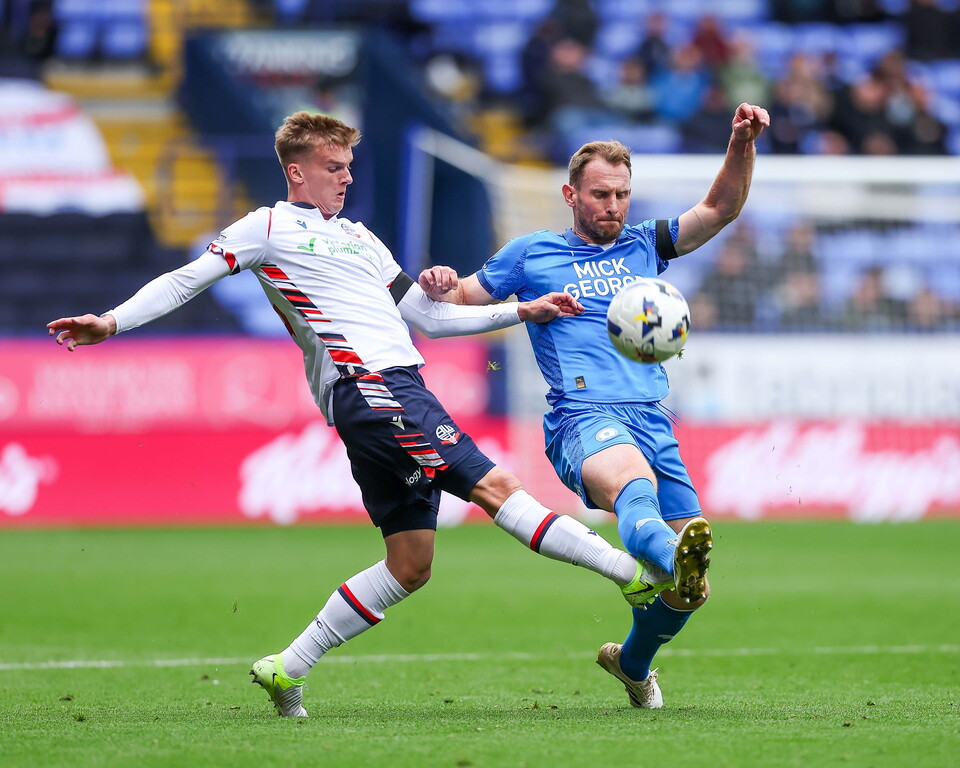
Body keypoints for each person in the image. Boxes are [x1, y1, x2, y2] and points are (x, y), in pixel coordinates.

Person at [46, 111, 668, 718]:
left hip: (390, 391)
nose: (346, 177)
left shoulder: (362, 238)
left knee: (410, 564)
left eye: (349, 166)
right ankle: (631, 575)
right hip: (371, 386)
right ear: (296, 171)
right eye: (333, 167)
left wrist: (520, 311)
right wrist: (112, 321)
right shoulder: (266, 226)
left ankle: (287, 666)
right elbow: (188, 279)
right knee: (495, 485)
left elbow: (428, 317)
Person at [419, 102, 770, 709]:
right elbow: (459, 301)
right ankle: (672, 556)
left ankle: (632, 662)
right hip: (582, 417)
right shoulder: (531, 253)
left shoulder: (645, 244)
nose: (613, 206)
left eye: (622, 195)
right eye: (601, 194)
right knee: (635, 492)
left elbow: (720, 209)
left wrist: (741, 142)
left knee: (692, 592)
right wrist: (439, 284)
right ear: (571, 195)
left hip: (652, 417)